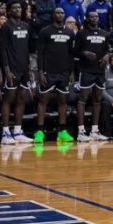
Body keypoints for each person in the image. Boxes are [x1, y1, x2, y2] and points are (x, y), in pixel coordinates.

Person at [34, 8, 75, 143]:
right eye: (57, 13)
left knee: (63, 101)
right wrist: (40, 71)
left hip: (63, 72)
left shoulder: (69, 32)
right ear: (53, 15)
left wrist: (71, 72)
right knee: (43, 100)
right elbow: (40, 53)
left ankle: (62, 131)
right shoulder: (45, 31)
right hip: (48, 72)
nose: (60, 15)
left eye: (62, 13)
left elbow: (71, 54)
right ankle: (39, 131)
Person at [74, 10, 113, 142]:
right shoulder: (81, 33)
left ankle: (95, 130)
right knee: (83, 99)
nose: (94, 18)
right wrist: (85, 53)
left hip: (100, 70)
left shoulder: (104, 33)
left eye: (96, 16)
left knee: (97, 99)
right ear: (87, 18)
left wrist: (107, 55)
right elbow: (74, 51)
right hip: (86, 70)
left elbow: (109, 49)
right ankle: (81, 131)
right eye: (91, 16)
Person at [0, 0, 34, 144]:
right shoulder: (6, 27)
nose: (18, 10)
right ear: (9, 11)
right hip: (11, 68)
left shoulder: (26, 26)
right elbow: (3, 50)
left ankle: (18, 130)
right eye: (14, 8)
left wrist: (30, 68)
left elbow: (29, 49)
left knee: (21, 98)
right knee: (9, 99)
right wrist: (6, 70)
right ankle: (5, 132)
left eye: (19, 8)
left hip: (24, 68)